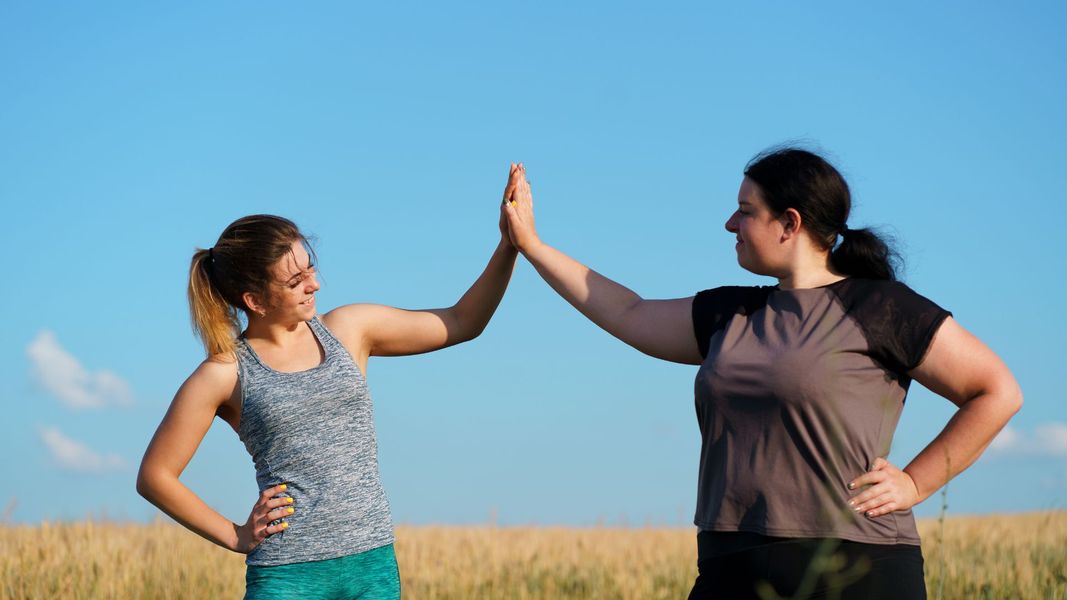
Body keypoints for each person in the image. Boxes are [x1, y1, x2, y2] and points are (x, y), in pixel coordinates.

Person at [499, 151, 1022, 599]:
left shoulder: (880, 308)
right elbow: (629, 313)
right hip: (731, 560)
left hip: (856, 566)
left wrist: (914, 482)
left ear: (789, 223)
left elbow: (995, 390)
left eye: (746, 211)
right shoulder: (729, 314)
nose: (731, 224)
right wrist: (533, 245)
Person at [136, 165, 523, 599]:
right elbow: (155, 476)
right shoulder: (224, 374)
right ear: (255, 300)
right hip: (287, 577)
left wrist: (509, 245)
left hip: (371, 565)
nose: (314, 284)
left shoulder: (350, 329)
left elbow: (461, 321)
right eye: (296, 280)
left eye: (311, 269)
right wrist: (236, 536)